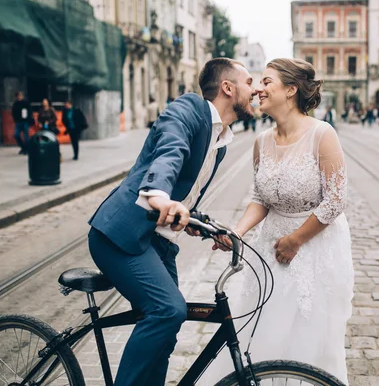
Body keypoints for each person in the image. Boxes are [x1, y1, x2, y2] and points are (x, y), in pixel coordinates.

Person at [87, 58, 257, 386]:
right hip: (121, 235)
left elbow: (186, 194)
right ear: (228, 87)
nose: (256, 89)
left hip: (157, 242)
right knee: (168, 310)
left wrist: (198, 222)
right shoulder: (189, 109)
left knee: (166, 335)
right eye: (249, 82)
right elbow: (169, 153)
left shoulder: (220, 142)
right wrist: (159, 197)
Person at [200, 58, 353, 385]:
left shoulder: (322, 134)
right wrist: (237, 232)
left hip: (315, 246)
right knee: (265, 326)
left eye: (267, 82)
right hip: (271, 246)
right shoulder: (261, 141)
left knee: (306, 334)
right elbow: (261, 199)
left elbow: (336, 200)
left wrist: (296, 239)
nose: (258, 89)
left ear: (291, 89)